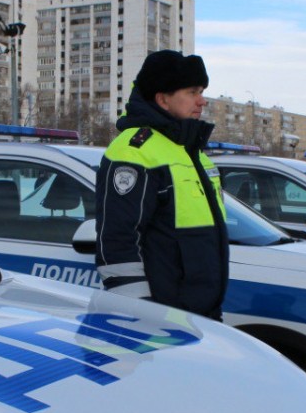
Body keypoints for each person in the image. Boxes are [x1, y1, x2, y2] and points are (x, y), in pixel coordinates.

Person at [95, 50, 229, 320]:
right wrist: (136, 312)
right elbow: (118, 240)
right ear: (163, 99)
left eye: (202, 91)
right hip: (157, 318)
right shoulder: (134, 150)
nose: (202, 101)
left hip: (201, 313)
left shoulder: (190, 150)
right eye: (192, 92)